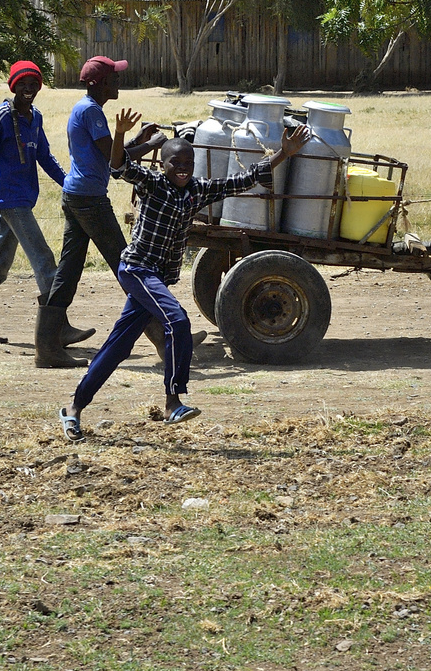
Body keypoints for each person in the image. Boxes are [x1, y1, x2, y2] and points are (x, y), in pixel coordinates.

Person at [58, 109, 309, 442]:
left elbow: (244, 179)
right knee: (177, 322)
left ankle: (72, 409)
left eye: (188, 164)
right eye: (175, 163)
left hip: (156, 278)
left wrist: (283, 154)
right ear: (163, 165)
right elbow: (118, 166)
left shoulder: (197, 191)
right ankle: (172, 401)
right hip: (137, 269)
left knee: (116, 348)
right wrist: (119, 135)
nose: (182, 169)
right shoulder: (151, 183)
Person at [37, 55, 164, 368]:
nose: (118, 82)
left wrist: (136, 139)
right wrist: (151, 144)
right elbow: (114, 159)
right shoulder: (92, 111)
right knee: (126, 264)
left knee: (69, 270)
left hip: (77, 196)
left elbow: (110, 150)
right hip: (90, 200)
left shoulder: (86, 108)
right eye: (114, 78)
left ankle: (47, 346)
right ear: (101, 83)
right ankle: (163, 334)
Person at [0, 61, 67, 345]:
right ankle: (58, 328)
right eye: (22, 84)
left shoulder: (36, 117)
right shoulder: (0, 116)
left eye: (34, 84)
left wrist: (70, 184)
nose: (29, 89)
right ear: (13, 86)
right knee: (44, 259)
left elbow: (45, 157)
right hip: (10, 200)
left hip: (24, 199)